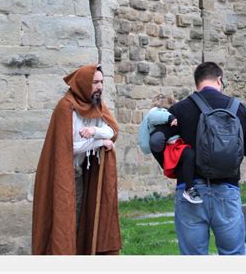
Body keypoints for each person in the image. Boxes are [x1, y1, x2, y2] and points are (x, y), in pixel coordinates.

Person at [149, 61, 246, 255]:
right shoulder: (237, 108)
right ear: (219, 80)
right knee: (232, 255)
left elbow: (156, 143)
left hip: (190, 190)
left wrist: (175, 167)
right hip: (227, 190)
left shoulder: (180, 109)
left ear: (197, 84)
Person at [32, 65, 122, 255]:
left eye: (101, 82)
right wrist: (100, 143)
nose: (100, 87)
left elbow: (112, 130)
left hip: (79, 173)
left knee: (78, 216)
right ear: (83, 84)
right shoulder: (66, 107)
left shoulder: (96, 105)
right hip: (61, 175)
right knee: (64, 221)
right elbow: (69, 147)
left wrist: (95, 133)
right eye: (95, 82)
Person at [138, 94, 202, 204]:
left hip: (174, 145)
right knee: (189, 155)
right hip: (172, 147)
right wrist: (170, 117)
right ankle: (189, 189)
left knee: (188, 156)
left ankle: (189, 188)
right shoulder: (156, 112)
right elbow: (155, 116)